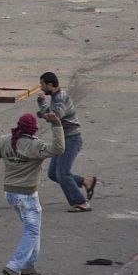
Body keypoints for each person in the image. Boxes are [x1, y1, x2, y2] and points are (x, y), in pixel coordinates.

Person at [0, 112, 65, 275]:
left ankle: (29, 265)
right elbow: (59, 148)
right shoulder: (35, 145)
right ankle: (14, 266)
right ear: (33, 129)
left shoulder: (4, 140)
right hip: (27, 195)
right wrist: (56, 124)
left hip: (10, 194)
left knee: (33, 228)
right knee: (32, 231)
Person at [37, 72, 97, 212]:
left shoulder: (61, 98)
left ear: (50, 85)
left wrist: (43, 112)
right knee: (53, 173)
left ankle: (81, 202)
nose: (41, 87)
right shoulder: (55, 97)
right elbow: (50, 113)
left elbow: (55, 116)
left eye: (42, 84)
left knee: (63, 174)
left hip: (71, 139)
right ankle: (86, 181)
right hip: (61, 139)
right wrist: (42, 106)